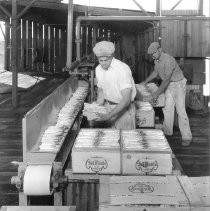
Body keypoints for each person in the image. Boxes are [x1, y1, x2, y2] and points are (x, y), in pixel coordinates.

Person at [141, 42, 192, 146]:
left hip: (178, 84)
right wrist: (145, 81)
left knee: (181, 111)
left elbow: (166, 81)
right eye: (151, 54)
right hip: (169, 85)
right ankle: (168, 132)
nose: (153, 56)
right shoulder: (157, 60)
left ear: (160, 49)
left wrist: (155, 95)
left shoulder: (168, 60)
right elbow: (156, 72)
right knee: (167, 108)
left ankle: (187, 137)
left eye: (154, 53)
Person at [92, 40, 136, 130]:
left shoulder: (122, 69)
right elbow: (101, 92)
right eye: (100, 60)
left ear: (112, 56)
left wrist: (109, 116)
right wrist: (95, 107)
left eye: (106, 60)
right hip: (108, 107)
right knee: (112, 140)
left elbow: (126, 99)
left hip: (124, 110)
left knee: (126, 140)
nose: (103, 63)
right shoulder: (98, 70)